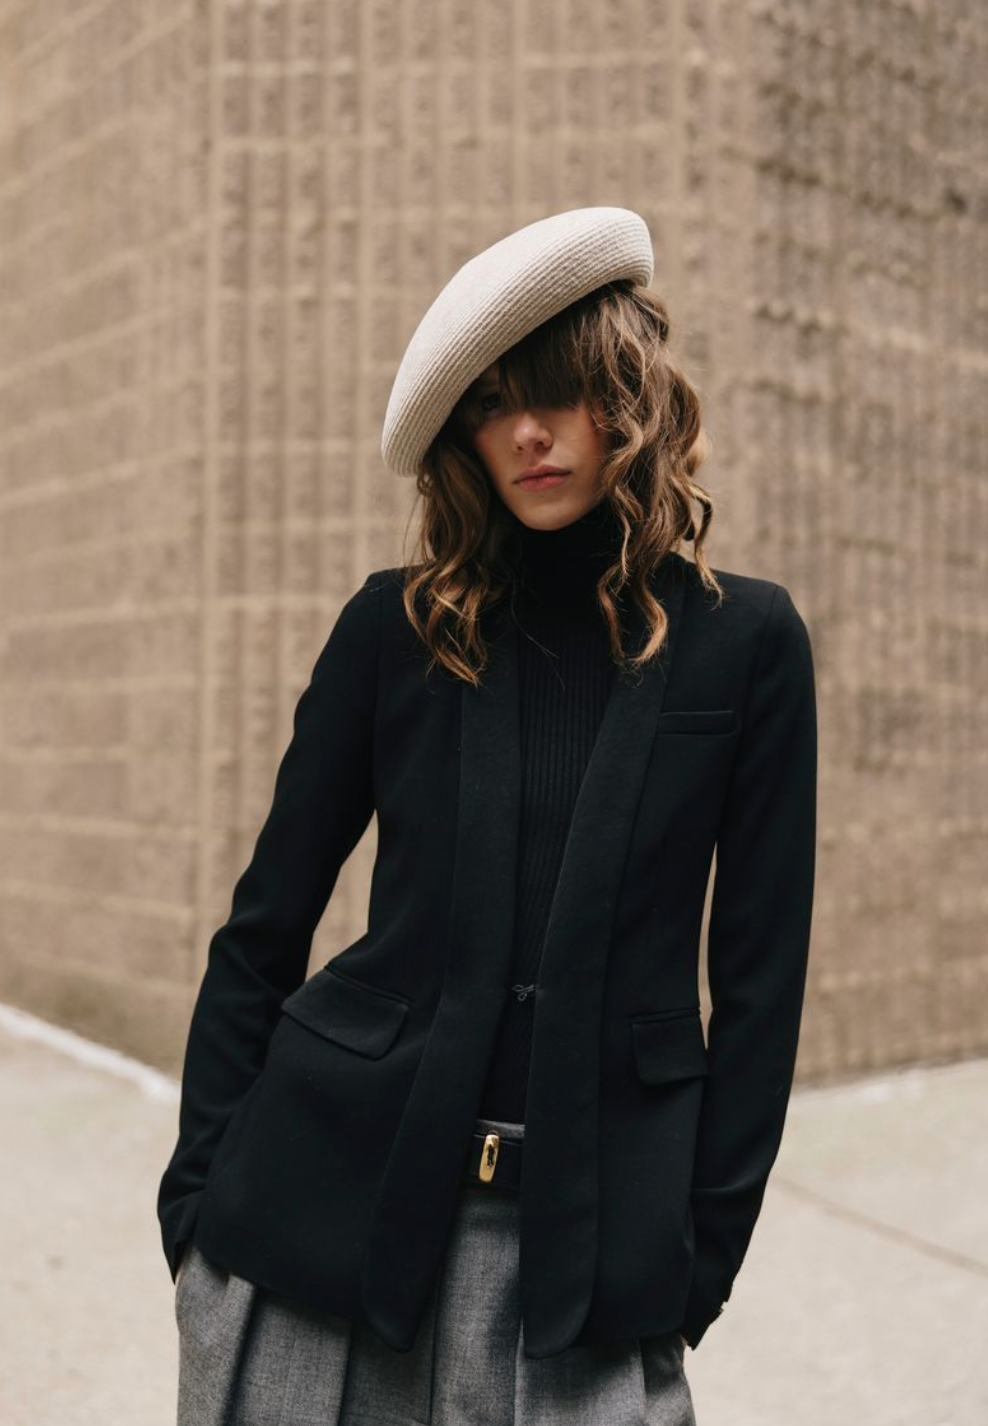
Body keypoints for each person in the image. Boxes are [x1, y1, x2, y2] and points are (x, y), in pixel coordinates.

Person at [159, 207, 817, 1425]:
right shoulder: (395, 629)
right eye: (491, 403)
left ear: (627, 388)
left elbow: (762, 985)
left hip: (589, 1257)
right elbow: (264, 928)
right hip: (320, 1228)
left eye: (558, 391)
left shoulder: (747, 645)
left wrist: (698, 1264)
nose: (526, 432)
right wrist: (194, 1210)